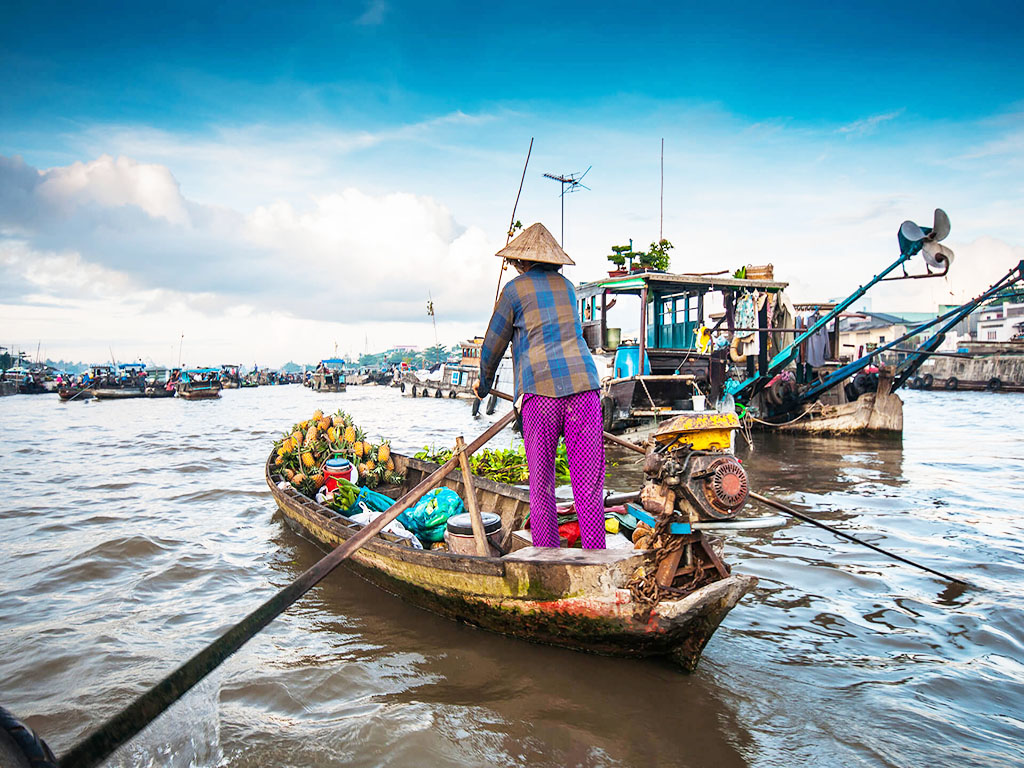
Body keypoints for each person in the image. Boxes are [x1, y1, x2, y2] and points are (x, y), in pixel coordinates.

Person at [473, 223, 606, 549]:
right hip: (585, 391)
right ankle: (595, 554)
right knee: (587, 483)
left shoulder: (514, 291)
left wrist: (484, 383)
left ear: (521, 262)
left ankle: (547, 554)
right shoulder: (568, 287)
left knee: (542, 483)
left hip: (541, 395)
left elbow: (493, 344)